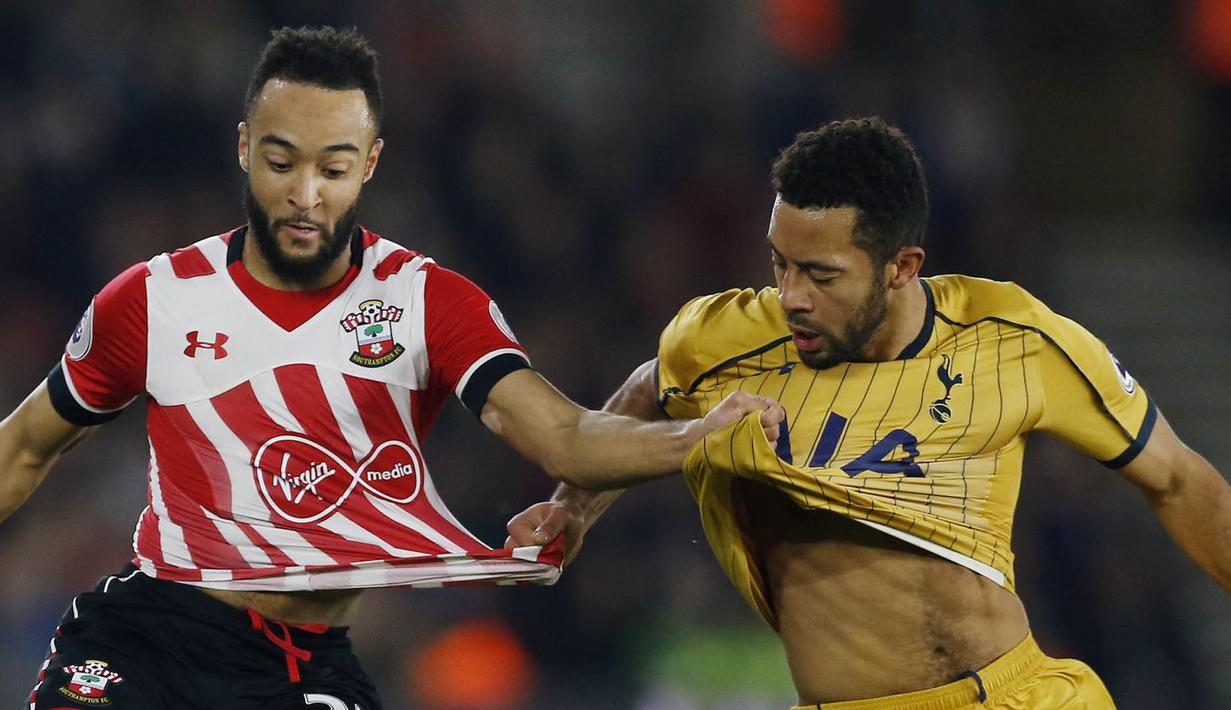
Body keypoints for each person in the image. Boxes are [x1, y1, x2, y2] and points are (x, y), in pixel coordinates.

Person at [0, 26, 783, 710]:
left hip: (304, 665)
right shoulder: (153, 298)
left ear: (370, 162)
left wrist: (696, 438)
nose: (305, 194)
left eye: (333, 167)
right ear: (244, 148)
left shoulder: (428, 304)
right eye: (280, 162)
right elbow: (26, 448)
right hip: (148, 640)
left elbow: (566, 436)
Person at [507, 117, 1231, 709]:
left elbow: (1175, 479)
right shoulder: (725, 341)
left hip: (1022, 695)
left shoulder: (1014, 339)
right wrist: (571, 511)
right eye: (778, 263)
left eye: (820, 275)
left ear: (901, 267)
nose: (790, 294)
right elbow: (642, 391)